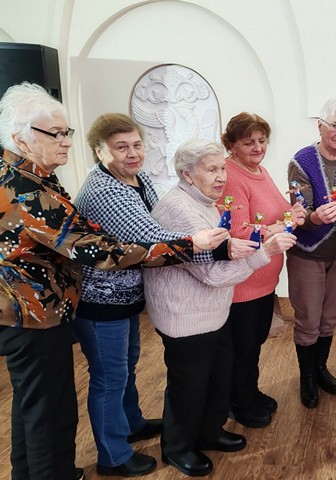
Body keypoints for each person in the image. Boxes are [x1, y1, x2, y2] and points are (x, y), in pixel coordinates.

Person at [0, 83, 223, 480]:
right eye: (57, 133)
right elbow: (101, 250)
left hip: (75, 304)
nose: (66, 141)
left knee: (92, 382)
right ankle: (112, 456)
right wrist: (192, 244)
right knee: (67, 399)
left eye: (137, 145)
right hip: (50, 310)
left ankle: (124, 427)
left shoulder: (39, 177)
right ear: (21, 138)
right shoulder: (29, 189)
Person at [72, 113, 231, 477]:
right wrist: (216, 246)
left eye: (137, 145)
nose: (133, 153)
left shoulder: (138, 178)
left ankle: (132, 423)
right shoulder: (105, 191)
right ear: (99, 151)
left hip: (126, 295)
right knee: (109, 377)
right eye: (121, 147)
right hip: (101, 300)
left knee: (126, 366)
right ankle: (113, 456)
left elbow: (158, 232)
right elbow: (154, 239)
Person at [144, 138, 297, 476]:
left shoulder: (204, 202)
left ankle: (209, 431)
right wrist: (265, 251)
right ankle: (177, 448)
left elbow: (222, 253)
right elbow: (212, 274)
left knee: (217, 375)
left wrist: (244, 247)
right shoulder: (179, 209)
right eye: (211, 169)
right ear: (187, 174)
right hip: (184, 315)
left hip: (211, 311)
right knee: (189, 384)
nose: (221, 176)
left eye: (222, 168)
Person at [222, 112, 307, 428]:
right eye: (249, 142)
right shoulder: (231, 176)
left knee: (254, 341)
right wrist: (282, 225)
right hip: (244, 280)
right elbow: (240, 231)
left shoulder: (259, 170)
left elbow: (274, 217)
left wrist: (292, 215)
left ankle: (249, 391)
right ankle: (238, 402)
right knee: (243, 347)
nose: (258, 147)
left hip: (265, 276)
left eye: (262, 140)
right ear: (231, 145)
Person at [286, 99, 336, 408]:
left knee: (330, 318)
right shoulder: (301, 161)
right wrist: (315, 217)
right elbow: (299, 210)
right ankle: (307, 377)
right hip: (308, 252)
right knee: (308, 320)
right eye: (335, 126)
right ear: (320, 126)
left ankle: (320, 368)